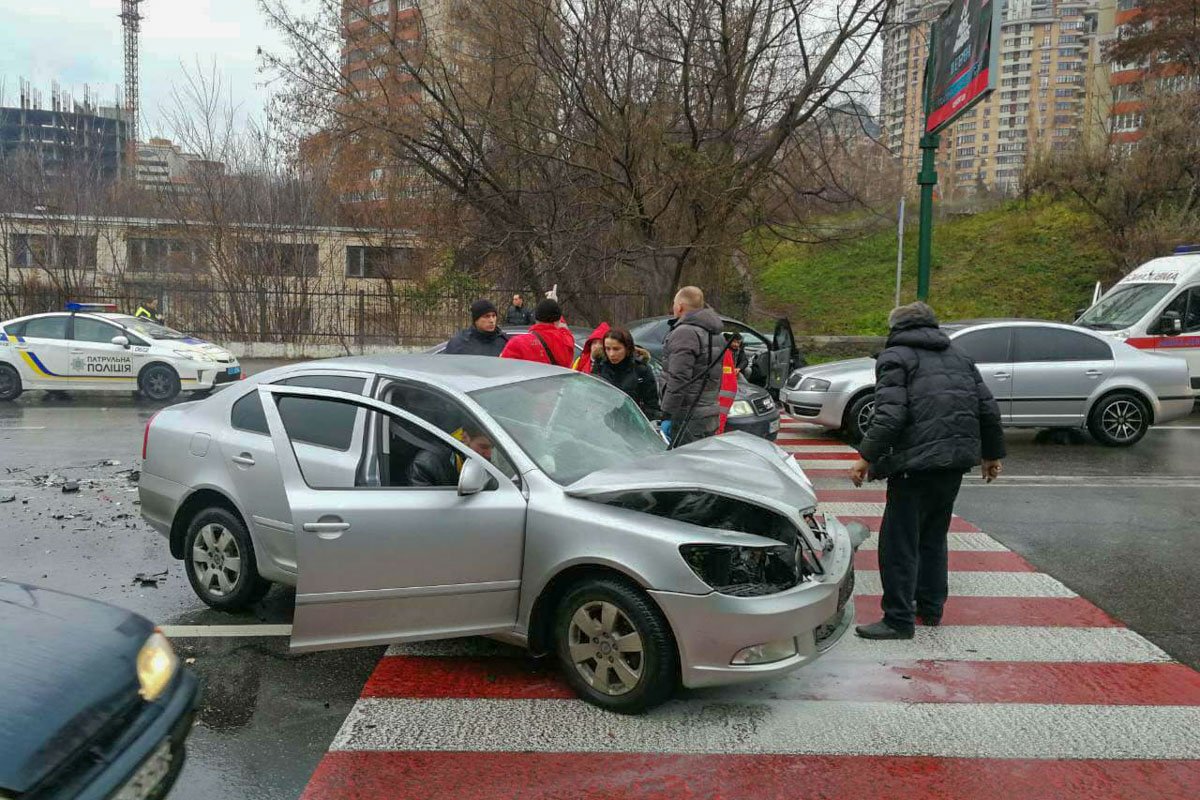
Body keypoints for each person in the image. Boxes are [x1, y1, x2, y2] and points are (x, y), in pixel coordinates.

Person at [850, 302, 1006, 641]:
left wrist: (865, 456)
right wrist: (991, 454)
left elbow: (890, 416)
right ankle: (931, 608)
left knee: (899, 543)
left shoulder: (895, 357)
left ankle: (898, 619)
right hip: (953, 462)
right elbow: (987, 408)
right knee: (933, 537)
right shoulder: (959, 356)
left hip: (914, 464)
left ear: (896, 328)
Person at [660, 286, 725, 446]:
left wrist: (667, 414)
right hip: (709, 413)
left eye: (674, 303)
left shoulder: (685, 333)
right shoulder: (715, 334)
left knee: (683, 467)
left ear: (680, 306)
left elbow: (679, 377)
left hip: (687, 416)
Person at [593, 327, 661, 419]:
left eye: (616, 349)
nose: (611, 354)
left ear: (627, 349)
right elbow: (593, 396)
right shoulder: (600, 365)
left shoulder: (641, 370)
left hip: (630, 425)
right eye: (607, 349)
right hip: (602, 420)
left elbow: (652, 406)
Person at [408, 425, 494, 487]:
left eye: (492, 448)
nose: (489, 454)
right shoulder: (426, 464)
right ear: (465, 437)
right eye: (483, 447)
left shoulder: (481, 459)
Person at [499, 298, 576, 367]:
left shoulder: (518, 343)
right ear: (558, 319)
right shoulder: (567, 340)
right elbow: (564, 327)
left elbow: (502, 371)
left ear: (536, 317)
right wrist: (553, 305)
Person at [444, 299, 508, 356]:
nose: (491, 320)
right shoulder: (460, 342)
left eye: (493, 316)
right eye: (486, 316)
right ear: (476, 320)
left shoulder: (504, 341)